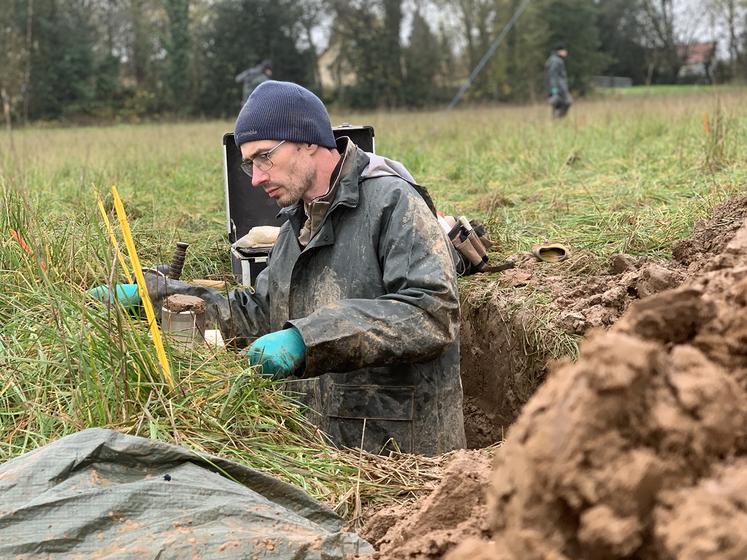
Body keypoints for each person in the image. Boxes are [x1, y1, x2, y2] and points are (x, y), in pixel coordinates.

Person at [94, 81, 466, 456]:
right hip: (326, 459)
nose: (255, 178)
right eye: (249, 164)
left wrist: (306, 339)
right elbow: (259, 311)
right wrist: (157, 298)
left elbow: (431, 313)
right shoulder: (295, 226)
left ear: (307, 140)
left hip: (403, 461)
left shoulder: (393, 202)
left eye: (264, 157)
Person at [545, 44, 572, 119]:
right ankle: (558, 120)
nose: (566, 52)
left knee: (558, 106)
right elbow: (552, 76)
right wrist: (554, 91)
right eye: (564, 50)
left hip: (558, 88)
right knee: (567, 102)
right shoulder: (556, 61)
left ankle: (557, 122)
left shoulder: (555, 60)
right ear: (560, 51)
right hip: (558, 89)